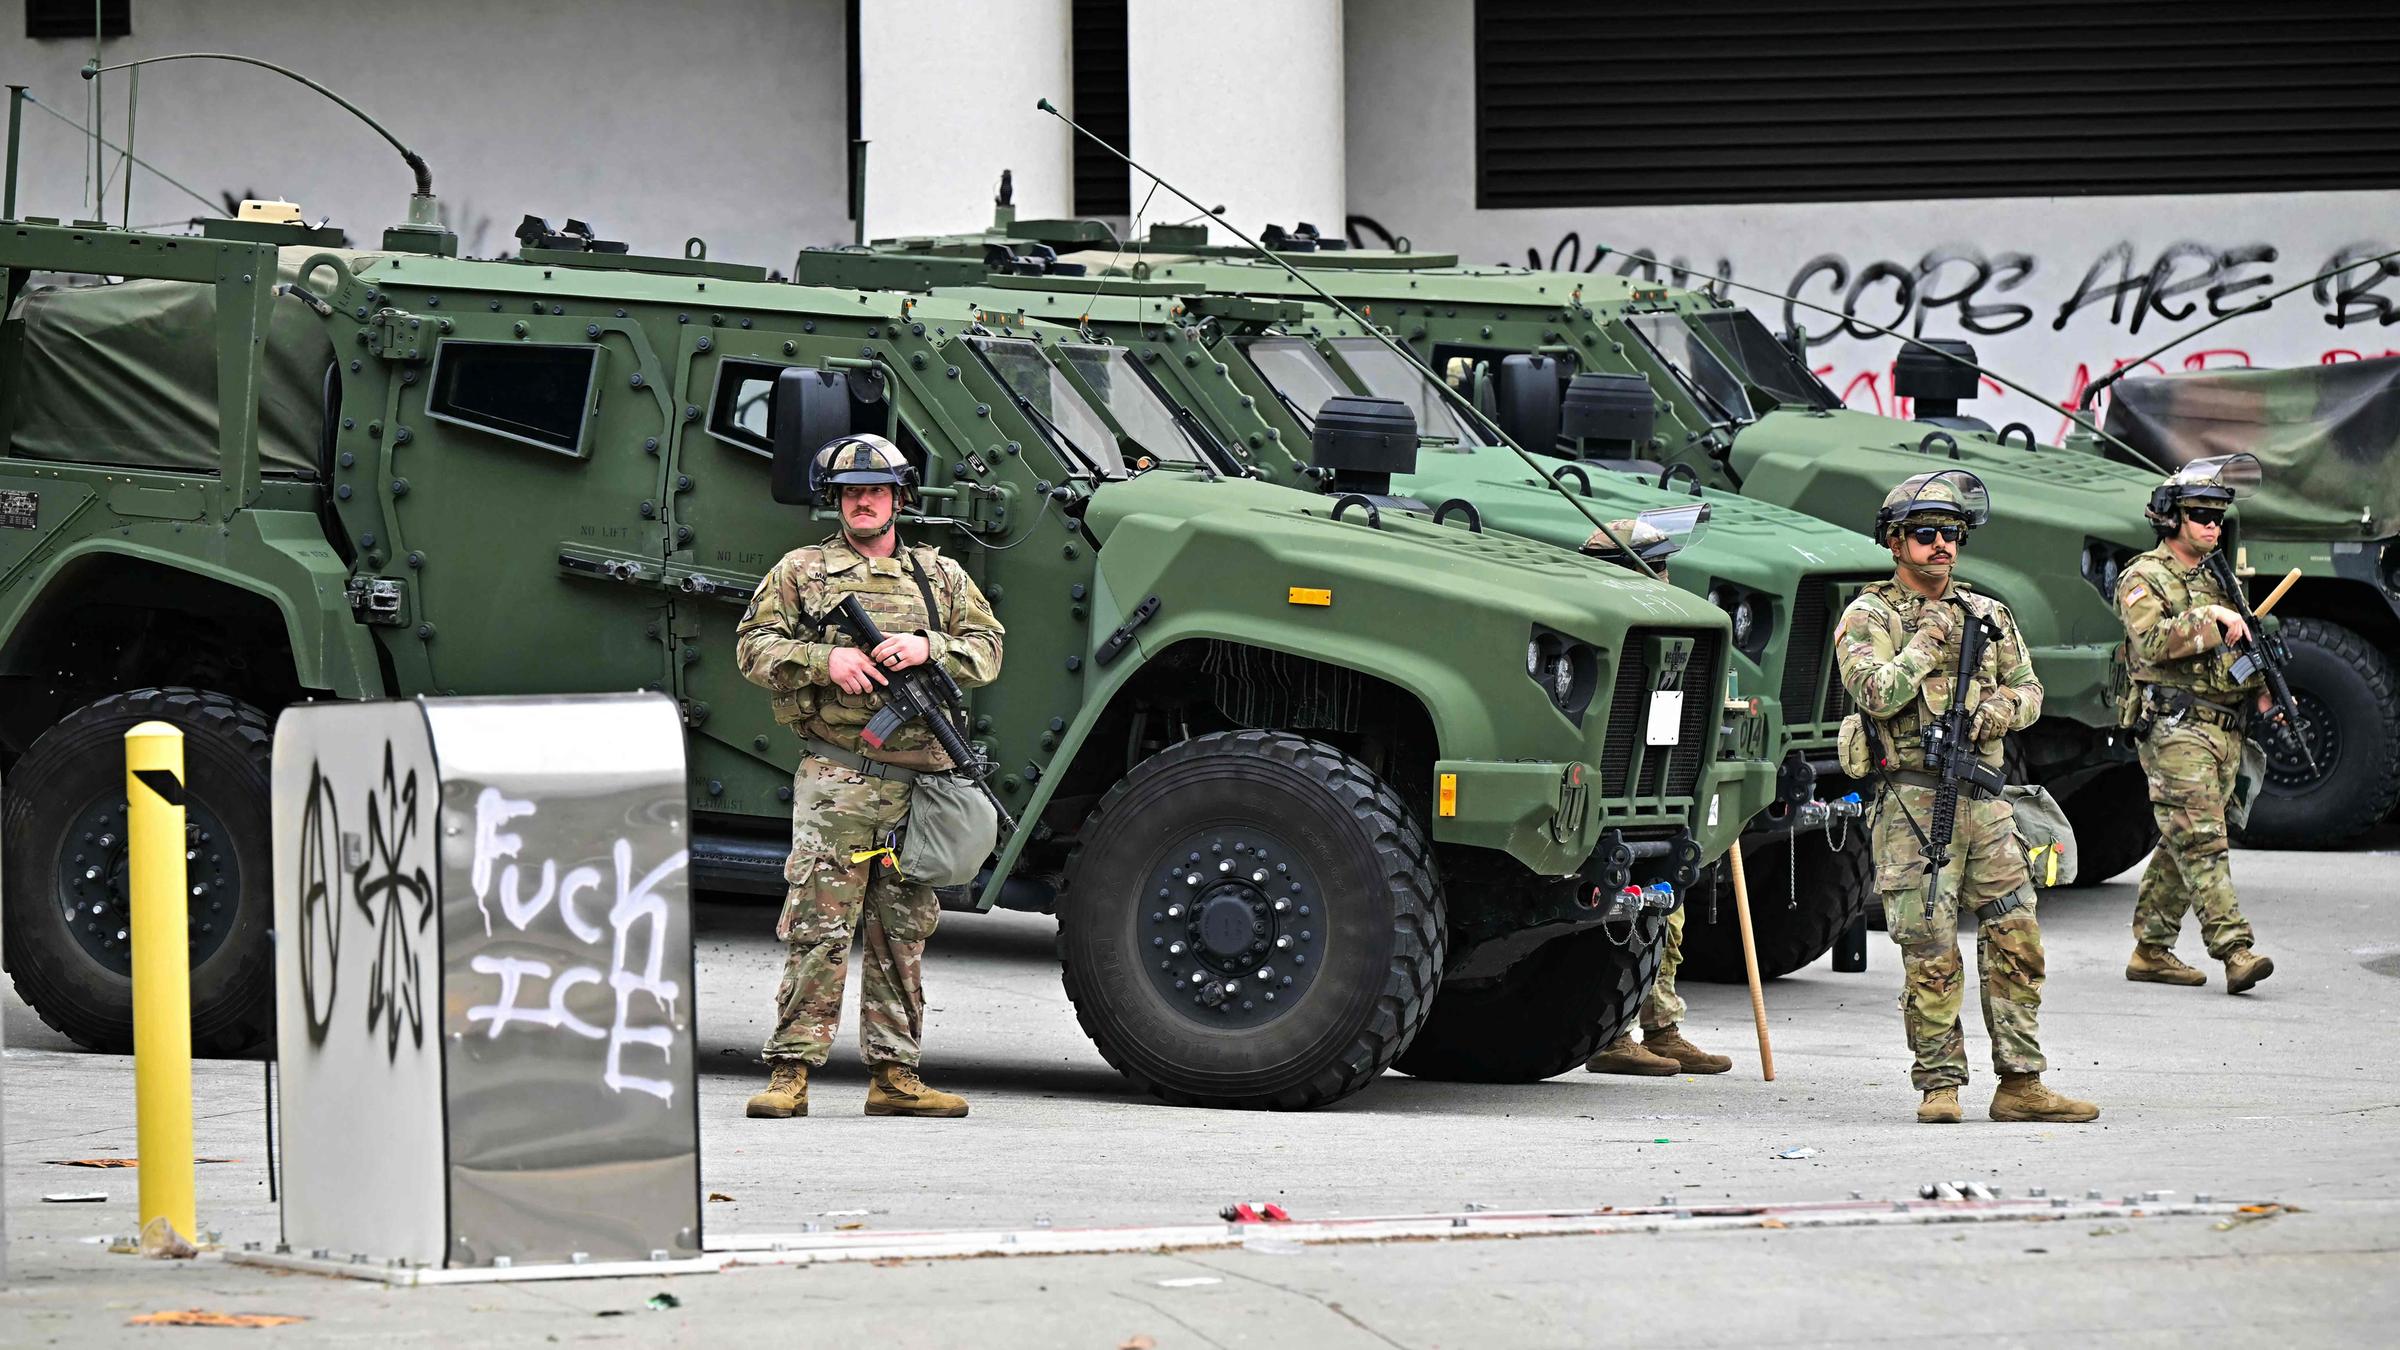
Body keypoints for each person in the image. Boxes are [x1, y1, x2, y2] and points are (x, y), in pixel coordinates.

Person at [733, 434, 1004, 1119]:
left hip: (922, 785)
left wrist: (927, 646)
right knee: (819, 927)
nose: (864, 502)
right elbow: (751, 648)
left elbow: (989, 648)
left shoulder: (938, 578)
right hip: (840, 780)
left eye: (876, 491)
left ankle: (895, 1076)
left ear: (898, 499)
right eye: (852, 492)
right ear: (836, 500)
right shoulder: (802, 571)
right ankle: (790, 1071)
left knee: (902, 929)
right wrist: (829, 664)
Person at [1836, 471, 2098, 1125]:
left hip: (1985, 801)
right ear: (1895, 542)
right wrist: (1927, 641)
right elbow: (1875, 695)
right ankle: (1941, 1086)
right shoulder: (1869, 616)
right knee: (1929, 948)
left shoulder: (1989, 614)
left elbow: (2032, 691)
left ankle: (2021, 1084)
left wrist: (2003, 708)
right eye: (1926, 534)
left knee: (2016, 936)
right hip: (1912, 804)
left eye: (1951, 534)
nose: (1942, 545)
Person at [1579, 511, 1733, 1077]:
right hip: (1608, 799)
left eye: (1666, 566)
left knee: (1667, 907)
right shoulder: (1597, 624)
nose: (1664, 580)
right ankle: (1610, 1033)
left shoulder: (1673, 630)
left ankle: (1661, 1025)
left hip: (1662, 791)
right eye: (1653, 567)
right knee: (1615, 915)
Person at [2116, 455, 2275, 994]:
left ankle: (2151, 950)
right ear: (2170, 518)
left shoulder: (2218, 578)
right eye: (2199, 515)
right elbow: (2153, 641)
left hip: (2225, 728)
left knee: (2182, 838)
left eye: (2217, 516)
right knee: (2204, 839)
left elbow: (2241, 647)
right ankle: (2236, 949)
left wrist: (2262, 686)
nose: (2211, 525)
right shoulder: (2143, 576)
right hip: (2175, 726)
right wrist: (2214, 619)